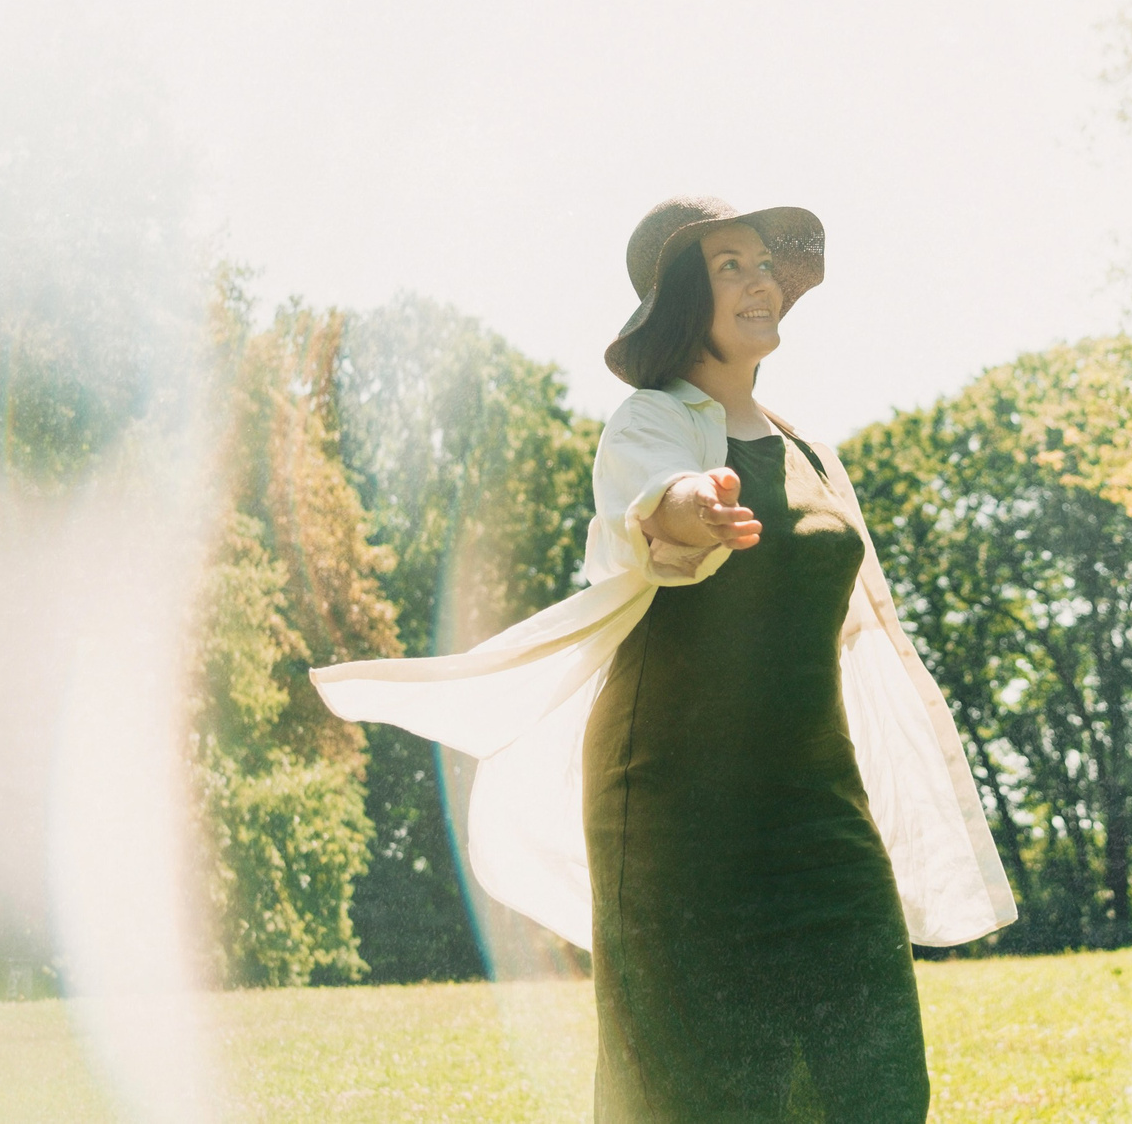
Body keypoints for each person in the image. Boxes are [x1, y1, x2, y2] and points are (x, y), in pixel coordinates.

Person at [312, 197, 1015, 1122]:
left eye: (764, 262)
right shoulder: (652, 421)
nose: (759, 278)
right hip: (676, 800)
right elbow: (653, 505)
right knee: (700, 1082)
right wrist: (689, 507)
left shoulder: (811, 448)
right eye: (729, 264)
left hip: (815, 795)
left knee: (874, 1064)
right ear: (682, 298)